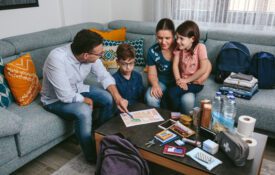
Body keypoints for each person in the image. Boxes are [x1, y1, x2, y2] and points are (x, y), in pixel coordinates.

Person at [40, 29, 128, 163]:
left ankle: (99, 137)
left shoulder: (90, 56)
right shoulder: (57, 58)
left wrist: (118, 98)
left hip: (79, 89)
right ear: (86, 55)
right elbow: (65, 95)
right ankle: (92, 157)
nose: (101, 55)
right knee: (84, 110)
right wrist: (84, 100)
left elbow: (104, 76)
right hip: (55, 100)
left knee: (108, 98)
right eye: (100, 54)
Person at [168, 20, 212, 114]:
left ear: (192, 38)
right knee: (168, 92)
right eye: (177, 38)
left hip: (195, 83)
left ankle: (177, 117)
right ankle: (168, 116)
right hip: (183, 80)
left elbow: (203, 68)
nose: (178, 41)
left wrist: (186, 81)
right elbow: (175, 65)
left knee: (172, 93)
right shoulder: (179, 48)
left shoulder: (200, 47)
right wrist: (178, 80)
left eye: (181, 38)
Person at [144, 18, 176, 108]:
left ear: (174, 36)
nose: (163, 42)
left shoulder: (181, 46)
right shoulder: (152, 51)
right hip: (161, 81)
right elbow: (152, 74)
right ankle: (158, 121)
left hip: (178, 82)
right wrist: (155, 85)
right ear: (156, 36)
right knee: (150, 98)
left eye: (167, 38)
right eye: (160, 38)